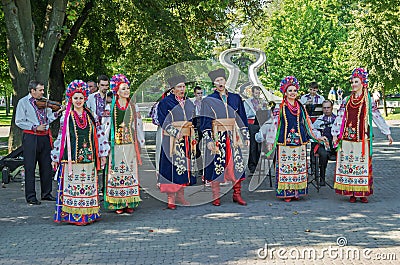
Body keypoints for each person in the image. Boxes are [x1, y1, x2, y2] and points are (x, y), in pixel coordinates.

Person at [51, 80, 110, 225]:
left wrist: (103, 153)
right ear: (71, 98)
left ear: (85, 99)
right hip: (72, 160)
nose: (78, 101)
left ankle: (88, 215)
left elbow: (100, 134)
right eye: (75, 98)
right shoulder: (66, 116)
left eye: (81, 98)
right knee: (74, 187)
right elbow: (60, 137)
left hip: (89, 159)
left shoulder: (91, 115)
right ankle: (73, 216)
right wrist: (55, 156)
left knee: (88, 186)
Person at [331, 68, 393, 203]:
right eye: (352, 82)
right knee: (349, 163)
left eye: (356, 81)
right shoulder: (347, 100)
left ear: (363, 83)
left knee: (362, 165)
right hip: (347, 138)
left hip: (362, 138)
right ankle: (351, 193)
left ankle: (362, 192)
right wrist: (335, 133)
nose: (353, 84)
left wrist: (387, 132)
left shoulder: (368, 100)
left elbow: (377, 116)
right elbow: (341, 117)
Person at [266, 76, 321, 202]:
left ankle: (297, 191)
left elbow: (308, 124)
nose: (292, 93)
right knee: (286, 166)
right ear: (285, 93)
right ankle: (287, 192)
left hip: (299, 141)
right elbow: (274, 125)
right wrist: (270, 141)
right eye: (290, 90)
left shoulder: (301, 107)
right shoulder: (280, 108)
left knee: (298, 166)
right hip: (284, 142)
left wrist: (317, 136)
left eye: (294, 90)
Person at [200, 68, 249, 206]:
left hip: (233, 136)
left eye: (222, 80)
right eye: (217, 81)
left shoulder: (235, 98)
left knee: (237, 165)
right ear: (214, 84)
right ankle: (215, 196)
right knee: (216, 165)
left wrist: (246, 136)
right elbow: (205, 121)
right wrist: (208, 139)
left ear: (225, 81)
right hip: (217, 136)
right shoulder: (208, 100)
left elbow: (242, 119)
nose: (220, 82)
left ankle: (237, 194)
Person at [15, 80, 64, 205]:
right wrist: (34, 127)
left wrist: (57, 114)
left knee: (46, 165)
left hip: (44, 137)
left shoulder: (44, 102)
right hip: (31, 137)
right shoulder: (23, 102)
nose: (43, 92)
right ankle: (31, 196)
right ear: (32, 91)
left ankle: (46, 193)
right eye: (40, 90)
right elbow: (19, 121)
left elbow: (48, 118)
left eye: (43, 90)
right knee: (30, 166)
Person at [105, 74, 145, 214]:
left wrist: (140, 141)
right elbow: (106, 126)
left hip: (129, 145)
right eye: (123, 89)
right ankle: (118, 202)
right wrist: (105, 146)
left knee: (130, 171)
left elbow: (138, 125)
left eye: (127, 88)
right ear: (117, 91)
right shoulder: (111, 107)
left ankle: (130, 201)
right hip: (116, 145)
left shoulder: (134, 107)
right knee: (116, 172)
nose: (126, 91)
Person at [157, 75, 195, 209]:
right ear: (172, 89)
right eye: (179, 87)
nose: (182, 89)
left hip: (186, 139)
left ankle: (180, 195)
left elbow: (194, 119)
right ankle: (170, 198)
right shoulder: (165, 103)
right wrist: (175, 132)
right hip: (171, 140)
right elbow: (163, 120)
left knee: (183, 167)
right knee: (171, 167)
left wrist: (194, 133)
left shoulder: (189, 102)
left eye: (184, 86)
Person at [86, 74, 109, 195]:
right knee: (95, 158)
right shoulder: (91, 97)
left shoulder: (111, 97)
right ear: (98, 85)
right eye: (102, 85)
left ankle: (105, 188)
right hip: (95, 131)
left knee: (107, 159)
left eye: (106, 85)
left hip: (108, 130)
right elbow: (87, 112)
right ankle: (93, 188)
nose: (105, 87)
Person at [312, 100, 337, 186]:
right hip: (322, 144)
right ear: (322, 109)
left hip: (335, 144)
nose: (326, 109)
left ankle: (341, 178)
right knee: (323, 154)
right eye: (324, 108)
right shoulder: (318, 120)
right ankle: (322, 177)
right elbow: (313, 132)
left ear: (332, 108)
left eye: (328, 107)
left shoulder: (337, 119)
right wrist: (319, 137)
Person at [244, 85, 267, 174]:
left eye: (259, 93)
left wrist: (263, 108)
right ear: (252, 93)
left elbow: (266, 111)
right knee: (253, 146)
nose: (257, 94)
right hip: (252, 124)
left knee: (260, 146)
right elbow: (245, 114)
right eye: (256, 93)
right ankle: (252, 166)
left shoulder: (262, 101)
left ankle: (259, 165)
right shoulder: (247, 102)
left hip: (261, 123)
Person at [192, 85, 204, 179]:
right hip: (196, 125)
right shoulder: (193, 104)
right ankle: (200, 168)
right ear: (195, 94)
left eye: (201, 93)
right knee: (196, 147)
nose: (200, 95)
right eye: (198, 94)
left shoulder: (205, 103)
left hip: (204, 124)